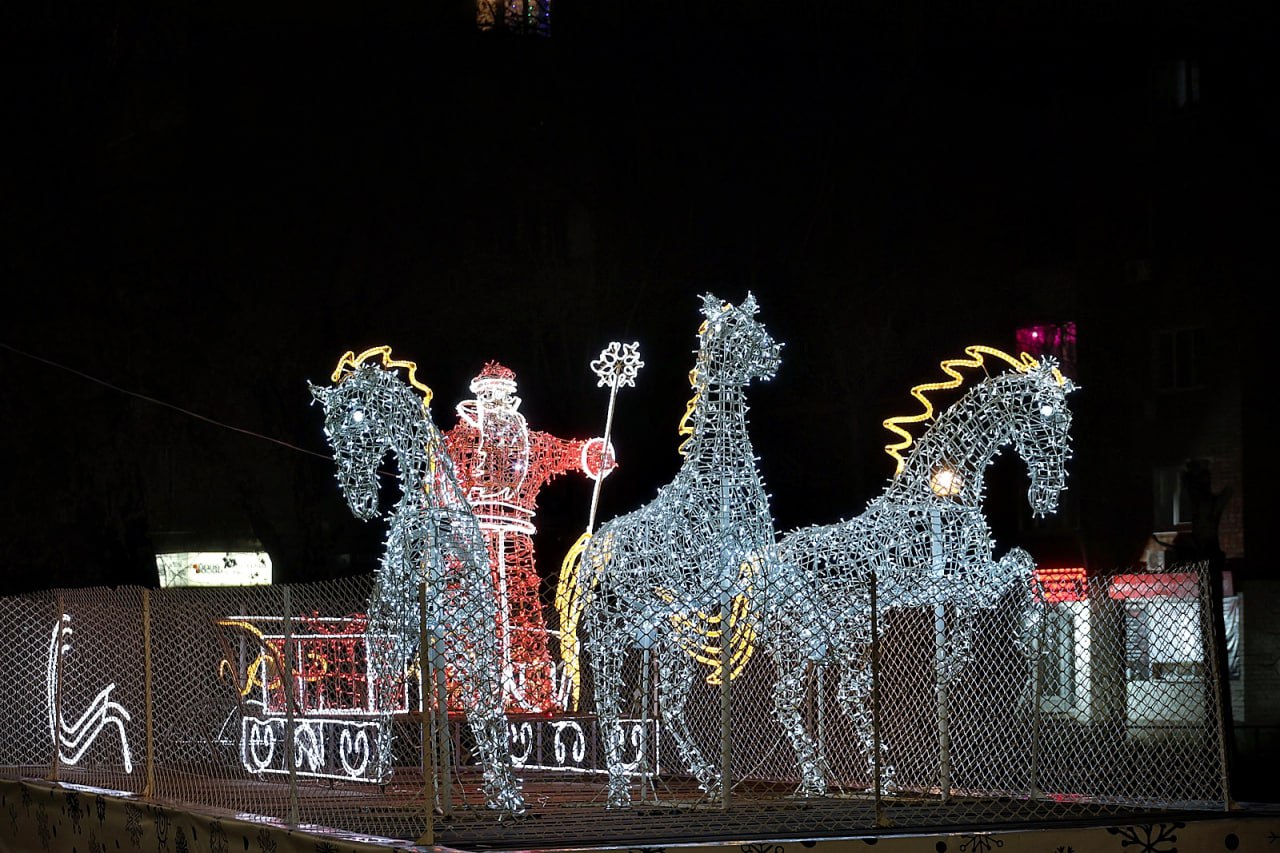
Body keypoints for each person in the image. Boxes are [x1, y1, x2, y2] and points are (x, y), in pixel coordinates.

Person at [444, 361, 614, 713]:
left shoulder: (527, 440)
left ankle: (534, 691)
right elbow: (438, 469)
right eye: (490, 394)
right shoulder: (462, 438)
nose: (497, 401)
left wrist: (591, 454)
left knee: (523, 612)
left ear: (512, 398)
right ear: (479, 395)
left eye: (504, 395)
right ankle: (463, 690)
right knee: (471, 613)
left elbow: (562, 452)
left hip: (517, 535)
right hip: (472, 540)